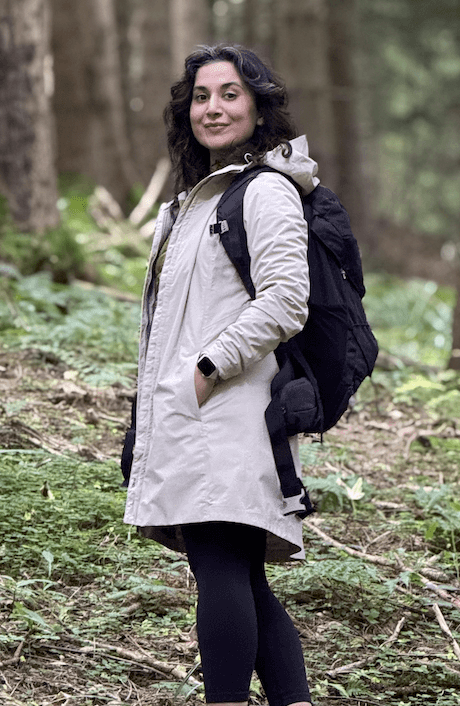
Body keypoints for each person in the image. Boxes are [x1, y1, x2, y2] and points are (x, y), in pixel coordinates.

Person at [123, 44, 316, 706]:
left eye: (230, 94)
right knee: (239, 575)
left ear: (259, 105)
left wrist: (208, 368)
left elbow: (288, 299)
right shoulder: (182, 209)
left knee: (221, 569)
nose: (214, 108)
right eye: (202, 96)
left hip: (234, 412)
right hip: (191, 414)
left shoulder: (264, 191)